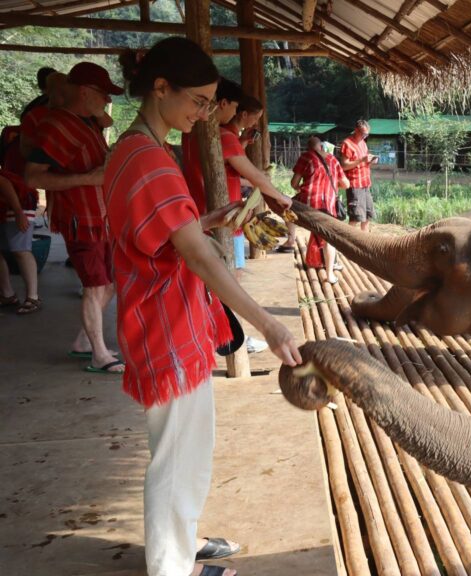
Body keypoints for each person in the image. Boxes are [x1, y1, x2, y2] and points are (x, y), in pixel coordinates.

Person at [108, 36, 300, 576]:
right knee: (176, 454)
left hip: (165, 318)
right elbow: (200, 260)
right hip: (163, 322)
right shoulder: (151, 161)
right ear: (160, 88)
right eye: (198, 101)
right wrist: (268, 324)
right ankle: (171, 565)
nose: (206, 114)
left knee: (189, 448)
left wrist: (206, 221)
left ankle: (183, 540)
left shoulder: (136, 148)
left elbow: (173, 235)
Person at [24, 62, 123, 373]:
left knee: (109, 283)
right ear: (84, 91)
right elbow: (32, 177)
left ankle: (85, 341)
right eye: (103, 93)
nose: (108, 100)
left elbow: (106, 117)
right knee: (96, 286)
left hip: (102, 216)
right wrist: (88, 178)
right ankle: (99, 355)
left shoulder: (88, 121)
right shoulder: (56, 126)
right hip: (82, 217)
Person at [181, 79, 290, 355]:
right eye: (237, 108)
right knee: (230, 279)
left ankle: (215, 332)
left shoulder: (190, 132)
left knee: (211, 280)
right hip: (222, 217)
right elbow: (253, 175)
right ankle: (229, 333)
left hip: (197, 212)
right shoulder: (222, 134)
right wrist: (280, 197)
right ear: (225, 104)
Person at [290, 136, 347, 281]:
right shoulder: (333, 160)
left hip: (308, 204)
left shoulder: (306, 156)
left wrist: (302, 186)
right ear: (321, 147)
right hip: (329, 205)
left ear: (308, 148)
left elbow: (294, 183)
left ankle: (290, 239)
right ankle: (330, 274)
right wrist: (331, 185)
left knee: (287, 209)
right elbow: (346, 184)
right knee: (328, 238)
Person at [0, 168, 39, 314]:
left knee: (20, 249)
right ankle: (7, 294)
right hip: (4, 205)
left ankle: (33, 297)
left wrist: (18, 213)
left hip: (19, 201)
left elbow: (3, 183)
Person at [339, 119, 377, 232]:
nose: (365, 136)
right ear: (356, 130)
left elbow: (363, 161)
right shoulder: (347, 144)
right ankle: (348, 241)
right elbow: (344, 165)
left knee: (367, 216)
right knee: (355, 217)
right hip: (355, 185)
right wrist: (361, 160)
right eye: (363, 133)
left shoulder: (363, 143)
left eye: (367, 134)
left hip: (365, 183)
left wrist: (370, 161)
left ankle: (364, 242)